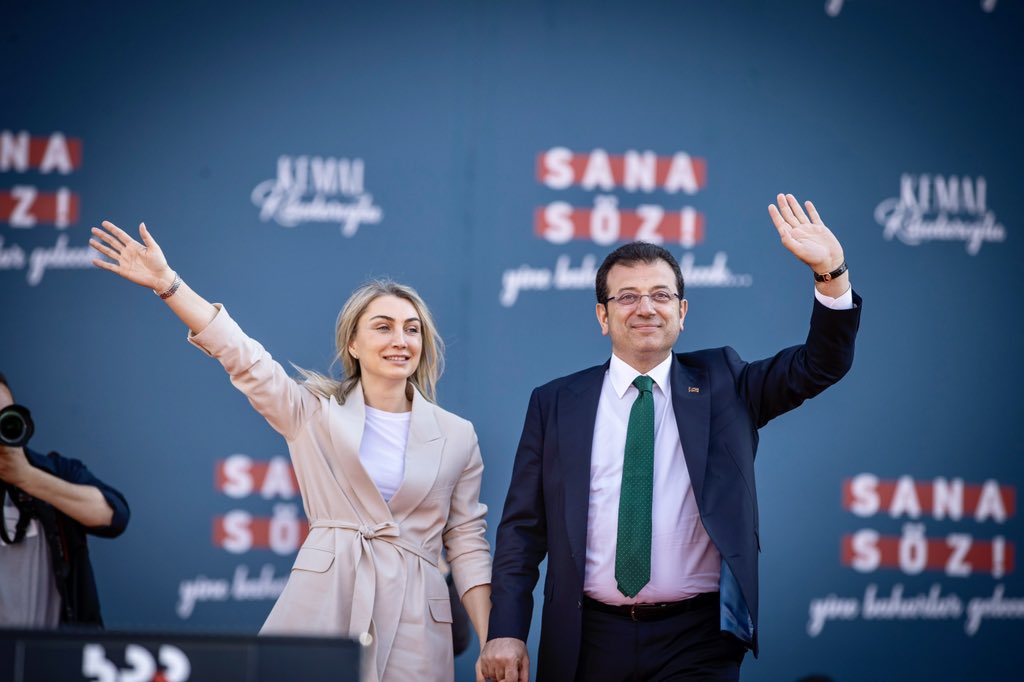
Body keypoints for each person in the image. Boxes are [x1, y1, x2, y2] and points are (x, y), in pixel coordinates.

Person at [480, 194, 862, 681]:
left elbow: (821, 363)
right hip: (586, 636)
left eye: (660, 295)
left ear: (682, 312)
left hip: (698, 639)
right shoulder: (555, 402)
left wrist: (831, 274)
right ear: (602, 317)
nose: (646, 308)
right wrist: (506, 630)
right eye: (627, 297)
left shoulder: (727, 382)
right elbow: (522, 531)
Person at [90, 221, 492, 682]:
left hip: (416, 618)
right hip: (324, 598)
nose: (400, 340)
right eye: (383, 327)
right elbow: (243, 357)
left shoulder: (457, 435)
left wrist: (491, 641)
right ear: (353, 343)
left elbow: (467, 543)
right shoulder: (312, 413)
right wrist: (169, 284)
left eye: (412, 329)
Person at [0, 373, 130, 628]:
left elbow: (114, 515)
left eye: (6, 419)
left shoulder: (55, 471)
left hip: (55, 649)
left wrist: (27, 477)